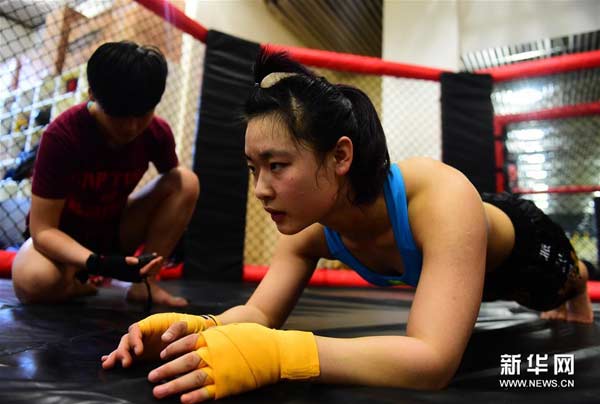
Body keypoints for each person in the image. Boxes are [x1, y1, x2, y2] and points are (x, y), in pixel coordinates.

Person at [101, 50, 594, 402]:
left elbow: (431, 362)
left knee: (571, 283)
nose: (260, 190)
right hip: (463, 266)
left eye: (277, 165)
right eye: (255, 169)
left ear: (340, 155)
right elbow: (258, 315)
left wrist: (279, 355)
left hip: (525, 250)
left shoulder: (441, 197)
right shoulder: (311, 228)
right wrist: (193, 332)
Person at [11, 41, 199, 307]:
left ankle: (145, 284)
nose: (132, 126)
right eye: (119, 115)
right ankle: (75, 284)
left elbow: (175, 189)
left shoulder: (157, 133)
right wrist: (98, 264)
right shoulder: (62, 136)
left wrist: (173, 236)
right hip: (62, 241)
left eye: (142, 114)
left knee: (186, 181)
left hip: (114, 232)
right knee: (33, 280)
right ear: (91, 95)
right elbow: (42, 230)